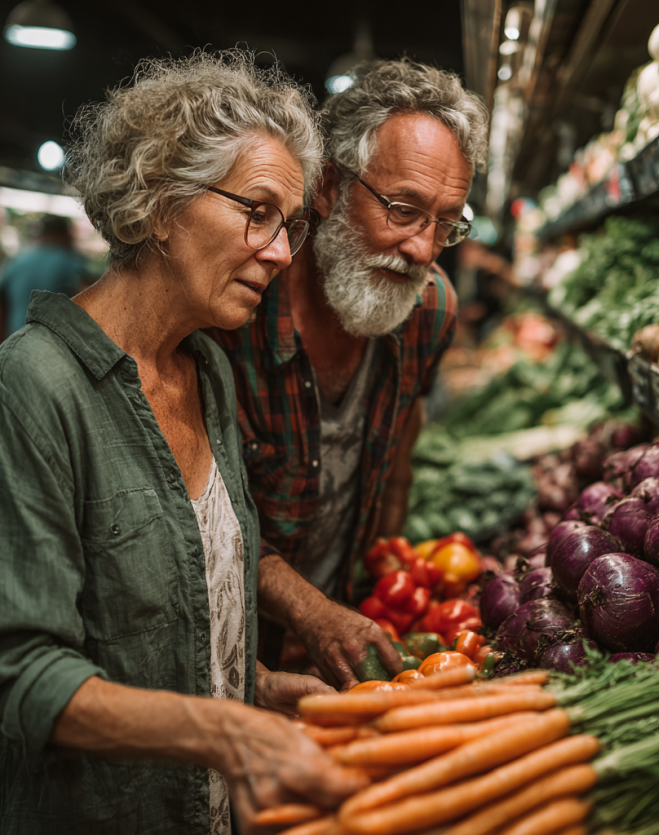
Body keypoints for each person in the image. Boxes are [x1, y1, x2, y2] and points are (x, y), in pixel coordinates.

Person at [0, 52, 367, 835]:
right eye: (258, 211)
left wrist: (256, 688)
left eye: (291, 225)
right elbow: (10, 673)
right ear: (159, 202)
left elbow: (174, 609)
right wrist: (229, 733)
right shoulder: (32, 392)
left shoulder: (206, 367)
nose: (280, 252)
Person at [213, 59, 488, 687]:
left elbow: (400, 446)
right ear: (329, 186)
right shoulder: (236, 314)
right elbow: (196, 515)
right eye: (402, 209)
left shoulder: (431, 310)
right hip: (226, 656)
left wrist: (381, 582)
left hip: (341, 648)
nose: (422, 247)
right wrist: (308, 612)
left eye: (446, 223)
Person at [0, 213, 87, 343]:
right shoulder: (72, 262)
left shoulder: (18, 259)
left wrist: (1, 341)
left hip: (14, 342)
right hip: (52, 347)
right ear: (67, 235)